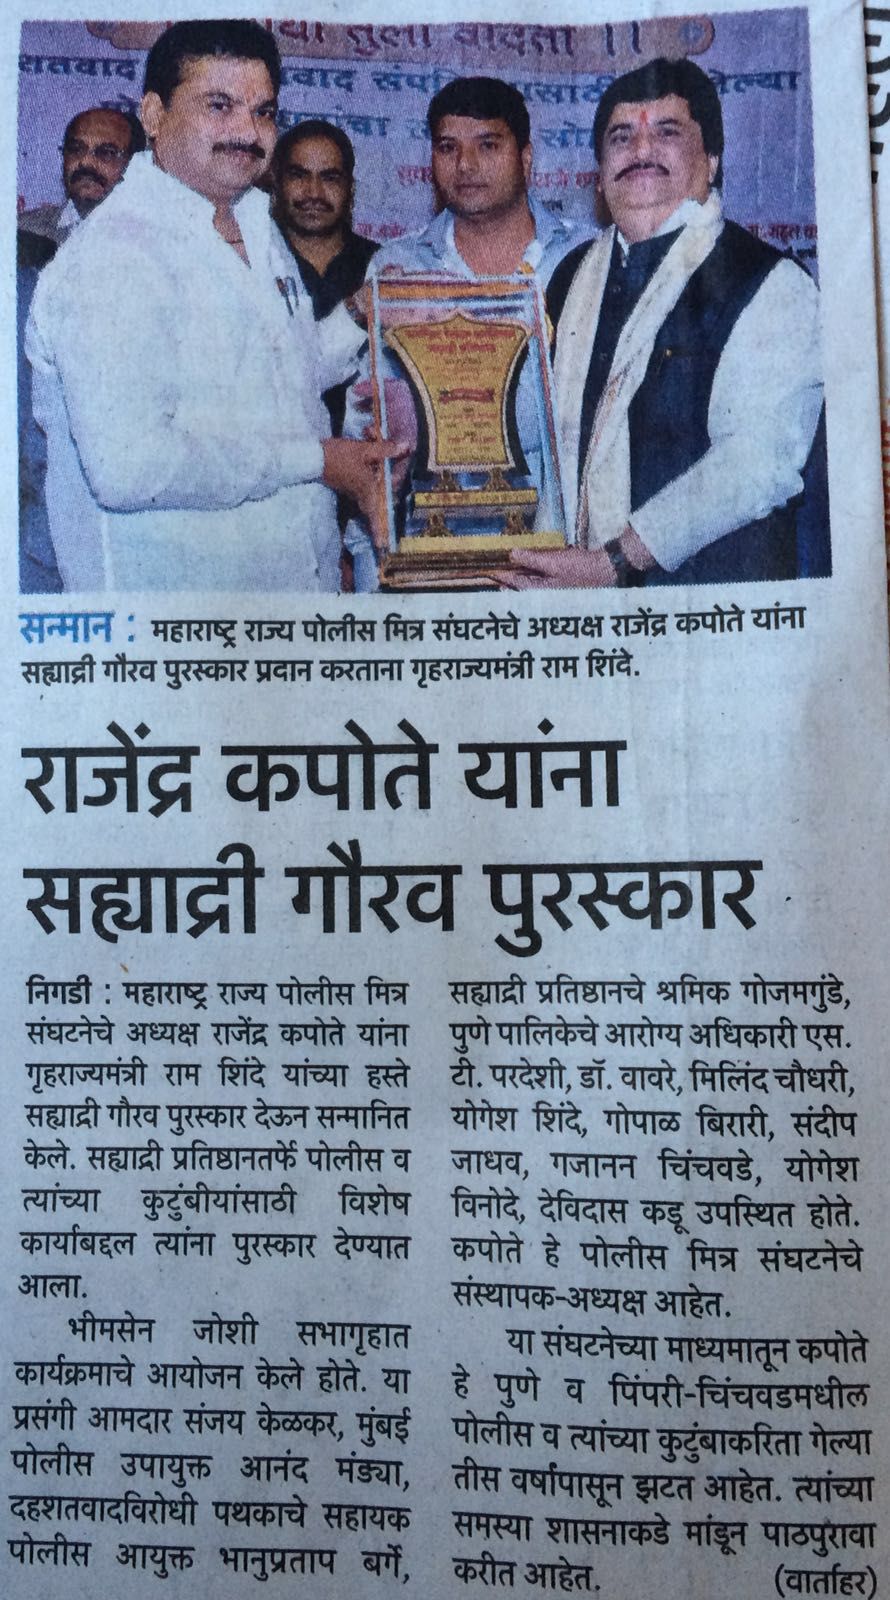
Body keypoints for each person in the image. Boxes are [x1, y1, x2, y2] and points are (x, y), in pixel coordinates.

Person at [26, 19, 404, 592]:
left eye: (263, 111)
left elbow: (283, 373)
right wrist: (321, 460)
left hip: (291, 604)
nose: (247, 132)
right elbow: (130, 466)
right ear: (154, 115)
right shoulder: (113, 258)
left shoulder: (253, 221)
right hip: (176, 625)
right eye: (219, 106)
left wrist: (361, 313)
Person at [500, 56, 825, 590]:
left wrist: (614, 561)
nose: (641, 150)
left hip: (712, 607)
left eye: (667, 132)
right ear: (599, 176)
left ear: (712, 160)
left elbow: (757, 461)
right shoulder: (570, 277)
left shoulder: (770, 281)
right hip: (573, 599)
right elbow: (530, 426)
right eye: (621, 137)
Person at [347, 75, 587, 590]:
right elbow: (365, 416)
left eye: (488, 145)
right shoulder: (397, 267)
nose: (466, 165)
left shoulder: (587, 256)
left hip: (556, 562)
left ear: (526, 157)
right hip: (428, 561)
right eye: (448, 147)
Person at [271, 120, 379, 322]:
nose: (314, 193)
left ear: (350, 188)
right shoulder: (255, 261)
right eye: (299, 176)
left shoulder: (378, 264)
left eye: (330, 178)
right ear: (277, 183)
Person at [19, 107, 146, 249]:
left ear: (135, 164)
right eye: (76, 149)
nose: (86, 162)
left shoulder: (153, 240)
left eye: (107, 153)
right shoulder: (23, 230)